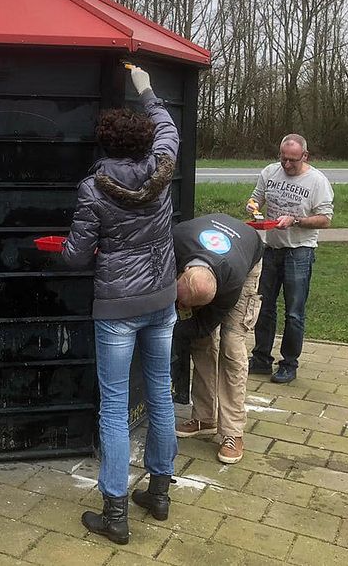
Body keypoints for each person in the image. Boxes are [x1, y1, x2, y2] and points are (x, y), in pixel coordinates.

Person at [63, 66, 179, 545]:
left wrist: (65, 250)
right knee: (161, 392)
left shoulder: (93, 189)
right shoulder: (162, 168)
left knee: (114, 407)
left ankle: (114, 514)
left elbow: (74, 256)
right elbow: (169, 126)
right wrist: (146, 88)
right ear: (145, 143)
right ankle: (159, 493)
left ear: (104, 145)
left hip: (116, 307)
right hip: (162, 296)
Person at [161, 213, 263, 468]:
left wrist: (173, 328)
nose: (181, 306)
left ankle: (232, 432)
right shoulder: (176, 242)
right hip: (209, 253)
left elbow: (204, 323)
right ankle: (205, 417)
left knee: (231, 346)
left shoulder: (231, 283)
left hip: (245, 265)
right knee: (202, 342)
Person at [246, 134, 334, 384]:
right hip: (270, 249)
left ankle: (289, 363)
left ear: (304, 156)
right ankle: (261, 358)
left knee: (294, 312)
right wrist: (252, 207)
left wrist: (295, 220)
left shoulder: (317, 181)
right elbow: (255, 198)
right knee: (263, 306)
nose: (286, 165)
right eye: (283, 159)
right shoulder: (270, 172)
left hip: (299, 251)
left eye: (292, 161)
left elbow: (325, 219)